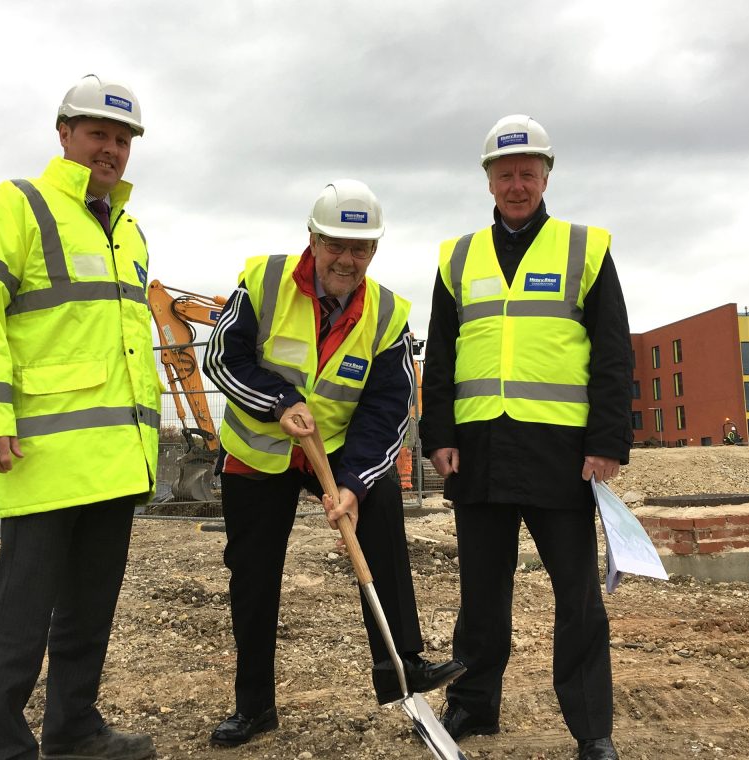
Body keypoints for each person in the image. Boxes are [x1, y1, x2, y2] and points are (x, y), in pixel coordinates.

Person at [203, 179, 465, 748]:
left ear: (374, 249)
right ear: (313, 239)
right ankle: (254, 705)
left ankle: (400, 665)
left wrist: (353, 484)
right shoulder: (264, 283)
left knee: (382, 507)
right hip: (261, 450)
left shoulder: (387, 313)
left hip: (338, 444)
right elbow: (222, 359)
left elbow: (387, 407)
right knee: (253, 574)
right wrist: (279, 401)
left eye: (361, 248)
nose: (347, 259)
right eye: (336, 245)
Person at [0, 75, 160, 760]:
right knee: (20, 619)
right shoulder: (18, 205)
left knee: (88, 614)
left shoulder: (129, 232)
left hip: (115, 459)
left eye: (122, 139)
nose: (111, 149)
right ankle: (2, 749)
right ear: (64, 133)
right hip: (41, 455)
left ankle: (74, 731)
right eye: (98, 133)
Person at [420, 114, 633, 760]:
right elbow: (441, 355)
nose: (517, 185)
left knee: (578, 597)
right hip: (479, 450)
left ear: (546, 177)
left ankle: (592, 730)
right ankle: (473, 704)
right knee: (482, 594)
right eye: (506, 174)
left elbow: (613, 351)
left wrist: (607, 441)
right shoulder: (458, 258)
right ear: (489, 181)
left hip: (560, 454)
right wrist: (439, 434)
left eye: (528, 174)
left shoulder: (584, 249)